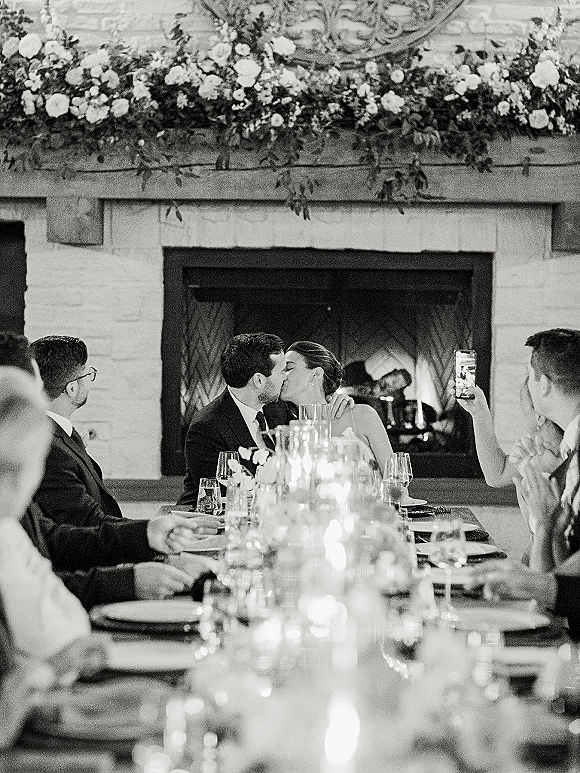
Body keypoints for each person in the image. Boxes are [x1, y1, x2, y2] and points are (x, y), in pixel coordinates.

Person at [0, 332, 218, 608]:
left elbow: (53, 538)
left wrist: (148, 539)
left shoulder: (42, 459)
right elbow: (31, 593)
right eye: (33, 391)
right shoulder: (44, 451)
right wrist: (131, 579)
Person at [30, 335, 123, 526]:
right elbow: (88, 522)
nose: (90, 382)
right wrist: (150, 532)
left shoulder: (61, 434)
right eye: (87, 376)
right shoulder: (50, 447)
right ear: (71, 388)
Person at [282, 341, 393, 474]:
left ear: (316, 374)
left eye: (288, 369)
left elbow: (395, 480)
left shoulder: (362, 415)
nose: (282, 375)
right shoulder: (287, 429)